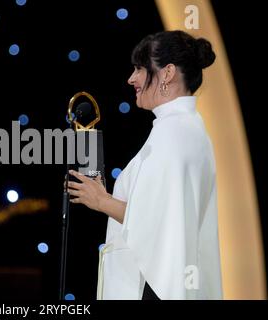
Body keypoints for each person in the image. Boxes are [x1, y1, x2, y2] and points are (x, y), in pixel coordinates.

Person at [67, 30, 222, 300]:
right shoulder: (182, 127)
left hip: (155, 289)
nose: (132, 78)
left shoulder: (175, 132)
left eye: (139, 68)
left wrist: (102, 201)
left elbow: (161, 221)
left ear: (167, 73)